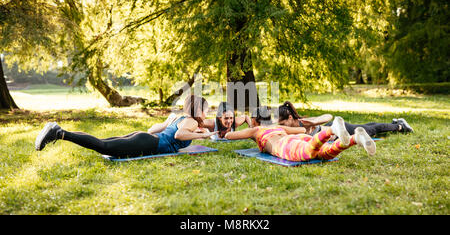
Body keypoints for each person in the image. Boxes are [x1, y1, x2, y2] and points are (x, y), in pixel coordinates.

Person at [35, 95, 217, 158]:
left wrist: (165, 124)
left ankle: (58, 131)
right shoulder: (191, 121)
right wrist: (202, 136)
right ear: (199, 109)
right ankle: (58, 133)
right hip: (150, 143)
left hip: (146, 137)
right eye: (206, 110)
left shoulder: (179, 118)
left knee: (101, 143)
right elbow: (178, 136)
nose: (206, 113)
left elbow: (152, 130)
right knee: (103, 146)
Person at [224, 106, 376, 162]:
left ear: (255, 121)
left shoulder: (256, 130)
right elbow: (302, 131)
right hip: (297, 138)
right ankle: (355, 138)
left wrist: (249, 130)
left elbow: (228, 136)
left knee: (308, 154)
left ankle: (332, 129)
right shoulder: (277, 126)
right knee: (321, 153)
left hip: (283, 145)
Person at [278, 101, 413, 136]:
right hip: (335, 130)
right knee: (366, 125)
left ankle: (400, 126)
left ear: (290, 117)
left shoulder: (303, 123)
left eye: (284, 122)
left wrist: (314, 122)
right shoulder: (291, 128)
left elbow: (328, 116)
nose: (284, 126)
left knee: (371, 130)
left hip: (340, 129)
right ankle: (394, 122)